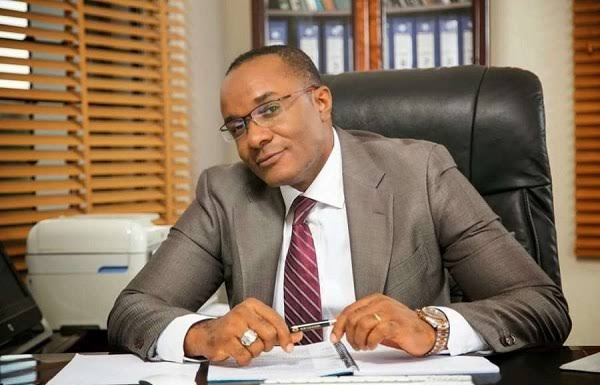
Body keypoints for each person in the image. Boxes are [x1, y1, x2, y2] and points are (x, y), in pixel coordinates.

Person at [108, 45, 571, 366]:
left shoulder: (420, 173)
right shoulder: (224, 193)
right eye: (237, 126)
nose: (255, 138)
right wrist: (202, 335)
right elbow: (133, 310)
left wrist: (432, 329)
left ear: (322, 102)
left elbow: (541, 305)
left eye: (269, 109)